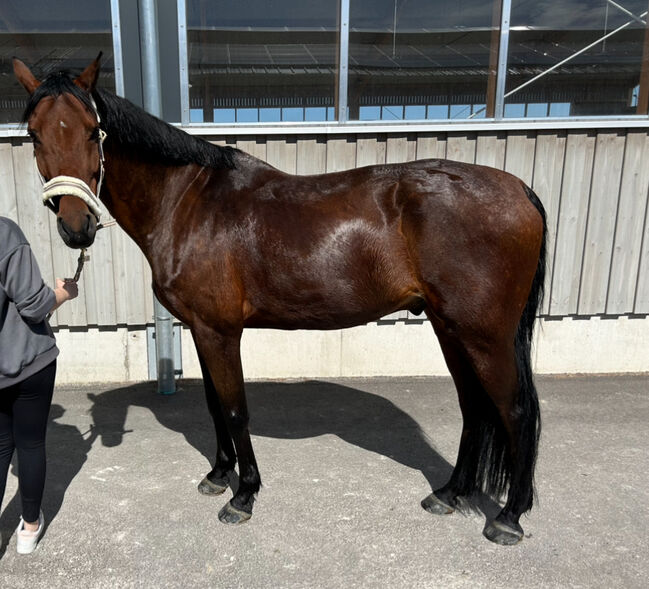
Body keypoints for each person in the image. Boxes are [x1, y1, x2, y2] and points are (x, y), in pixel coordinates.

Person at [0, 215, 78, 554]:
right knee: (30, 444)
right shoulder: (4, 233)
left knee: (1, 447)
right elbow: (34, 306)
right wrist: (63, 292)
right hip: (30, 363)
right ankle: (29, 529)